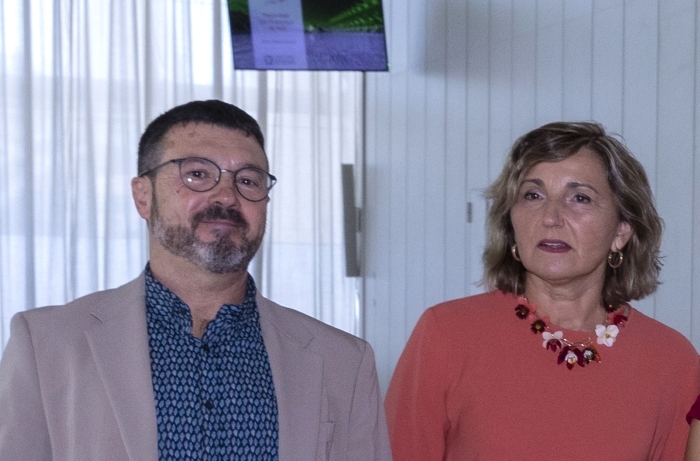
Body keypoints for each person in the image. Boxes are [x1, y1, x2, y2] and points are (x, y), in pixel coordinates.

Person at [0, 100, 391, 460]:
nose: (226, 196)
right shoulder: (46, 345)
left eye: (248, 180)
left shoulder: (343, 362)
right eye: (198, 174)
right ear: (143, 196)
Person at [384, 121, 700, 460]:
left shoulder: (672, 360)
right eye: (533, 195)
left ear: (621, 231)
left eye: (580, 198)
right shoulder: (447, 334)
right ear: (511, 221)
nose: (551, 216)